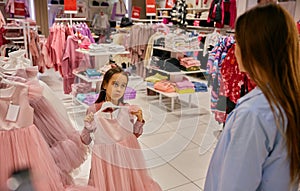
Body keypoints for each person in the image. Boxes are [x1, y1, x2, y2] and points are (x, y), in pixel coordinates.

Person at [204, 3, 300, 191]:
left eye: (237, 42)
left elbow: (235, 186)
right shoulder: (288, 99)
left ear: (252, 49)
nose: (234, 50)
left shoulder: (254, 114)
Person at [80, 66, 162, 191]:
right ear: (105, 85)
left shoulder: (127, 109)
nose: (119, 89)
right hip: (104, 161)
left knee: (128, 184)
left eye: (123, 86)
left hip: (126, 157)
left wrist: (139, 120)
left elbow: (133, 135)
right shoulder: (93, 110)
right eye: (115, 84)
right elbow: (85, 141)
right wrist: (87, 126)